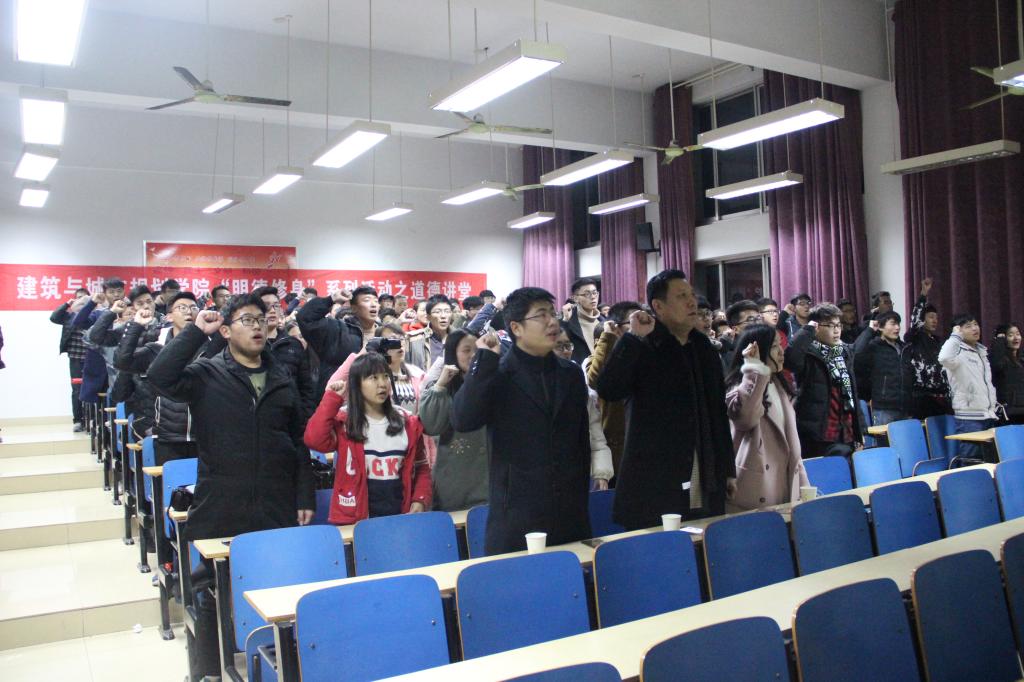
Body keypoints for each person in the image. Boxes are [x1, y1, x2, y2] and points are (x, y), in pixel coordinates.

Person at [147, 294, 314, 680]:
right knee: (212, 595)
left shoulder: (281, 377)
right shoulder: (206, 374)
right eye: (247, 320)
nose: (258, 326)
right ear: (225, 330)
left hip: (275, 501)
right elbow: (159, 376)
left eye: (261, 319)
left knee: (276, 586)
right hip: (221, 503)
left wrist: (304, 493)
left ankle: (270, 666)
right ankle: (207, 672)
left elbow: (297, 440)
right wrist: (195, 332)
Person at [451, 287, 592, 554]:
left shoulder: (571, 374)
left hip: (570, 511)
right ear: (516, 328)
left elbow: (581, 443)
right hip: (517, 514)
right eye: (541, 316)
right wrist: (484, 359)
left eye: (552, 313)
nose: (552, 322)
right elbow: (463, 419)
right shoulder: (498, 373)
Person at [596, 270, 737, 529]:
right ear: (658, 306)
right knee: (661, 543)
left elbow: (718, 412)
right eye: (681, 296)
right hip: (655, 475)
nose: (692, 302)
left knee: (703, 540)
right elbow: (609, 389)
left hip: (704, 466)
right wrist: (632, 337)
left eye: (691, 295)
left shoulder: (703, 347)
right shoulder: (644, 343)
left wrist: (728, 468)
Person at [304, 352, 432, 522]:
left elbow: (422, 467)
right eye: (373, 378)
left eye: (386, 376)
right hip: (354, 520)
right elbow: (314, 439)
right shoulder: (345, 422)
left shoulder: (408, 422)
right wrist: (332, 399)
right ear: (357, 384)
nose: (382, 384)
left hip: (401, 518)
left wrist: (420, 499)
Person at [724, 325, 808, 511]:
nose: (781, 352)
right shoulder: (739, 387)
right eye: (774, 347)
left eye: (780, 345)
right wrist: (753, 369)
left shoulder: (778, 385)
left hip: (783, 484)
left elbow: (793, 450)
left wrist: (804, 486)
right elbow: (746, 419)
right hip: (754, 490)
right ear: (758, 351)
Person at [115, 291, 201, 460]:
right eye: (182, 308)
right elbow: (122, 362)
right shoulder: (156, 350)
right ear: (169, 316)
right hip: (168, 437)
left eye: (193, 308)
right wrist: (136, 326)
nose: (189, 312)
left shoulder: (208, 348)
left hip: (205, 436)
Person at [420, 329, 490, 511]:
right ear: (453, 354)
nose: (473, 355)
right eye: (466, 350)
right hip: (455, 482)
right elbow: (431, 426)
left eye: (477, 350)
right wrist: (440, 385)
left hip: (489, 481)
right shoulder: (442, 388)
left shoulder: (491, 382)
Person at [784, 302, 864, 458]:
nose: (836, 330)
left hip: (846, 433)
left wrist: (860, 432)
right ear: (817, 327)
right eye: (830, 326)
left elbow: (852, 393)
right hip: (819, 435)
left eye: (838, 325)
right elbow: (790, 359)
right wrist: (807, 330)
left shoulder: (844, 352)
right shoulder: (808, 352)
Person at [585, 301, 642, 481]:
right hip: (617, 447)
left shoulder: (649, 354)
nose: (640, 326)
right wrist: (608, 337)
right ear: (617, 328)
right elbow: (595, 380)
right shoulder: (599, 357)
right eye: (633, 322)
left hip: (646, 445)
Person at [553, 327, 613, 489]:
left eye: (568, 345)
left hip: (580, 477)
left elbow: (596, 437)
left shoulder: (579, 387)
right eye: (559, 346)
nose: (566, 351)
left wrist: (601, 473)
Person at [939, 314, 1000, 461]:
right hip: (969, 417)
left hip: (987, 414)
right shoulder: (956, 351)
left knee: (989, 459)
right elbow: (944, 358)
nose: (974, 328)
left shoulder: (981, 351)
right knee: (972, 459)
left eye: (976, 324)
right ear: (958, 330)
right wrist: (955, 336)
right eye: (968, 326)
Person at [296, 287, 373, 401]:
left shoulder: (384, 333)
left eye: (375, 300)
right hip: (337, 397)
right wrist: (331, 299)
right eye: (366, 300)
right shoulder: (335, 330)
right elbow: (305, 318)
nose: (373, 304)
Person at [854, 311, 912, 425]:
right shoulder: (874, 347)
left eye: (898, 324)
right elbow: (855, 354)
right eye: (893, 324)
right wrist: (870, 330)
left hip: (905, 407)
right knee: (884, 437)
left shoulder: (904, 348)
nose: (897, 327)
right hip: (884, 408)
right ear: (881, 327)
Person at [904, 278, 950, 418]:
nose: (935, 320)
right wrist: (923, 294)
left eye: (936, 317)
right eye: (931, 317)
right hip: (922, 396)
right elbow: (915, 320)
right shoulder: (916, 337)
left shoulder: (939, 341)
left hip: (941, 396)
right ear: (923, 319)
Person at [49, 289, 91, 430]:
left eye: (84, 298)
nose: (82, 301)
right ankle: (78, 420)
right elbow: (54, 317)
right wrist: (67, 304)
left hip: (92, 358)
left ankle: (92, 420)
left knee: (92, 389)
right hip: (75, 359)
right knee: (77, 390)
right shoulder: (69, 316)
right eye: (79, 298)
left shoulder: (93, 315)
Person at [562, 277, 605, 364]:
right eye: (587, 294)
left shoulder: (604, 321)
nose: (593, 297)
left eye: (594, 293)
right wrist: (565, 321)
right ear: (575, 298)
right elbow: (559, 345)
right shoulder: (569, 321)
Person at [407, 295, 453, 370]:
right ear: (428, 316)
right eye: (437, 312)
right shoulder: (413, 339)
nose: (443, 316)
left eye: (447, 311)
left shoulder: (460, 338)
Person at [991, 323, 1024, 424]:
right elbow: (997, 365)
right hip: (1009, 413)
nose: (1016, 338)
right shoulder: (1000, 360)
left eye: (1018, 334)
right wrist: (999, 340)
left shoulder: (1021, 360)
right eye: (1010, 335)